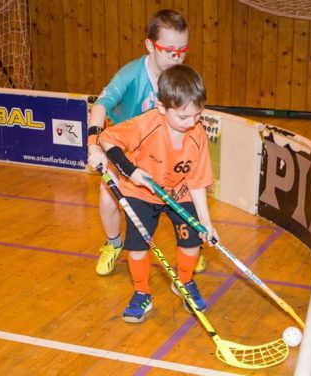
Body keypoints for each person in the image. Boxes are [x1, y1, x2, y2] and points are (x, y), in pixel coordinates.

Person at [87, 9, 207, 276]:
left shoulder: (180, 78)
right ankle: (114, 243)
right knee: (107, 199)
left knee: (186, 200)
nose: (177, 58)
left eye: (183, 51)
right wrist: (94, 144)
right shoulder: (130, 75)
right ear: (150, 46)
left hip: (167, 156)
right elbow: (100, 106)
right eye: (169, 51)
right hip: (126, 152)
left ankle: (194, 244)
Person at [97, 64, 218, 323]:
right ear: (162, 108)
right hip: (141, 193)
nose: (192, 122)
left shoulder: (198, 135)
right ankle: (142, 293)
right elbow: (106, 139)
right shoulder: (145, 124)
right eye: (184, 117)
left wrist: (206, 223)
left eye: (197, 115)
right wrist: (130, 171)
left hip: (179, 191)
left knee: (192, 239)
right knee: (138, 247)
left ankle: (183, 282)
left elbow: (197, 181)